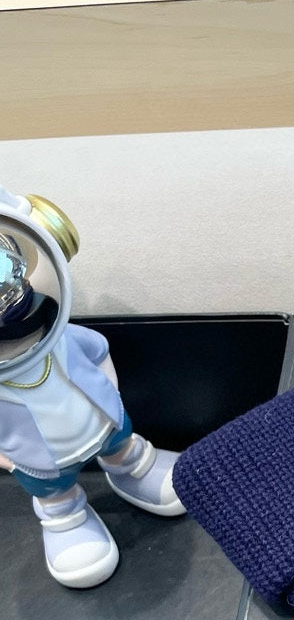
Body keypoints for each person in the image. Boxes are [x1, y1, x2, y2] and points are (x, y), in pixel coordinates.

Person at [0, 231, 185, 588]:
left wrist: (110, 395)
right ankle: (64, 518)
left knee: (121, 444)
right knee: (53, 491)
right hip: (40, 460)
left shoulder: (60, 336)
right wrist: (10, 460)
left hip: (105, 423)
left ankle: (133, 467)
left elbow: (98, 351)